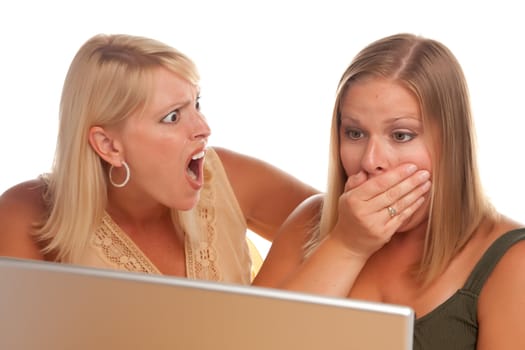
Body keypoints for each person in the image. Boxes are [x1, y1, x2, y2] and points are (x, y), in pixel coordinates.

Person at [253, 33, 525, 349]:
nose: (371, 161)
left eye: (401, 135)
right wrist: (346, 246)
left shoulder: (511, 260)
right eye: (355, 133)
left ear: (451, 144)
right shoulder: (307, 222)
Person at [0, 33, 324, 284]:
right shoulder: (25, 214)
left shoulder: (229, 178)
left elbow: (349, 229)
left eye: (196, 104)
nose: (204, 128)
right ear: (108, 145)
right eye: (172, 117)